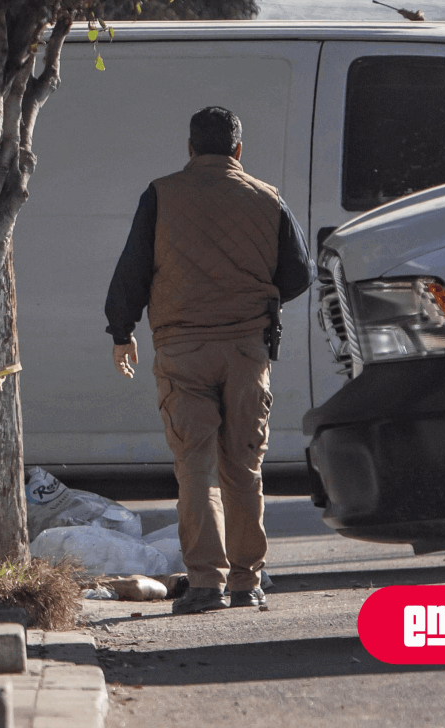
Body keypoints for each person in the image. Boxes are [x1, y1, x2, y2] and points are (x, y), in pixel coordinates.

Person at [103, 107, 315, 615]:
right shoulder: (269, 199)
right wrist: (252, 301)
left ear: (191, 148)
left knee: (194, 468)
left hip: (182, 352)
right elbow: (300, 274)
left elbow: (131, 269)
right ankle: (247, 582)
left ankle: (204, 585)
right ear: (238, 151)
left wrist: (122, 331)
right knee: (244, 466)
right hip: (247, 351)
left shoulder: (161, 195)